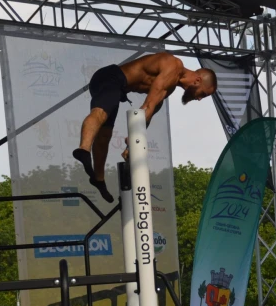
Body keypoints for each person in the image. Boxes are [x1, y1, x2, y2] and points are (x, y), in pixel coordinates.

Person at [72, 53, 217, 203]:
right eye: (203, 94)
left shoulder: (170, 87)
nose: (199, 99)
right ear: (198, 80)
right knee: (100, 113)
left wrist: (132, 143)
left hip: (118, 88)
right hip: (110, 77)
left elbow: (149, 114)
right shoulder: (174, 66)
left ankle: (98, 178)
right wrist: (134, 138)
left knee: (105, 134)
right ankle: (84, 149)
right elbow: (147, 106)